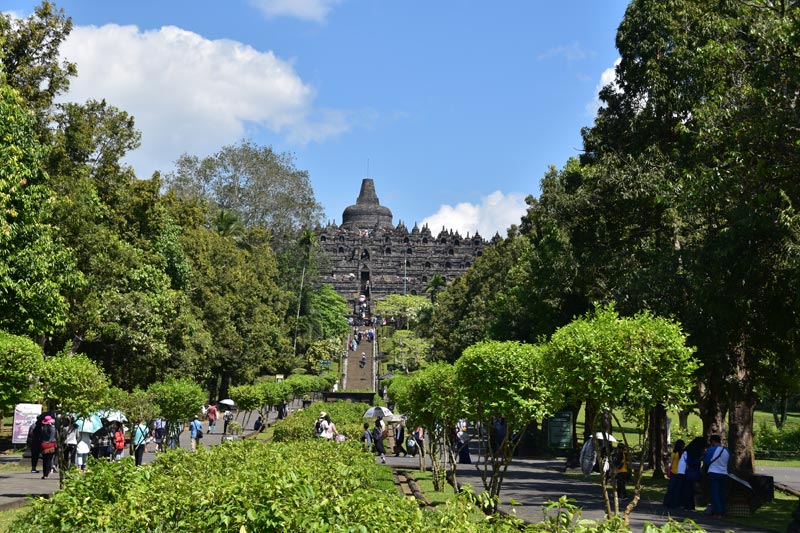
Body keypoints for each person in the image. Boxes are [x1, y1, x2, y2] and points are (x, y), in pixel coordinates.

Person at [703, 434, 729, 518]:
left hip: (713, 472)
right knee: (722, 493)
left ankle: (718, 512)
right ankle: (723, 511)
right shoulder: (727, 450)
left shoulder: (711, 450)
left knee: (714, 493)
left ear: (713, 441)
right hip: (724, 473)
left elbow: (706, 462)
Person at [681, 437, 706, 511]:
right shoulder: (697, 452)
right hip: (694, 472)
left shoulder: (688, 450)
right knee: (692, 490)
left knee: (688, 490)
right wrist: (701, 458)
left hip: (688, 472)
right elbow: (692, 462)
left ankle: (687, 506)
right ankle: (691, 506)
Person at [663, 439, 685, 508]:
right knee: (677, 489)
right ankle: (675, 503)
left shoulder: (674, 453)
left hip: (673, 471)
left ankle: (667, 502)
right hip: (679, 472)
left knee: (671, 488)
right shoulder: (681, 453)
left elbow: (671, 461)